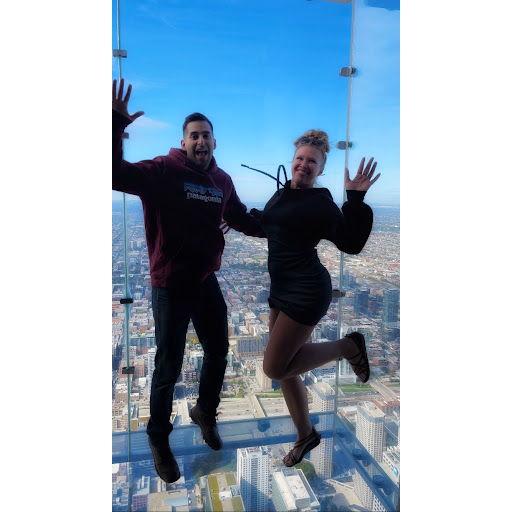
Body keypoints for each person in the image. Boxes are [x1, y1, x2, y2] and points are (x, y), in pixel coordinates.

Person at [112, 79, 264, 483]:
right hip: (170, 283)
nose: (201, 141)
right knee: (168, 364)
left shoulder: (222, 181)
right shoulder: (164, 170)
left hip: (204, 278)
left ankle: (204, 411)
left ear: (215, 142)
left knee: (219, 350)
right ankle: (158, 437)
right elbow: (114, 173)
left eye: (206, 135)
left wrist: (278, 224)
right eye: (194, 135)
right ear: (183, 142)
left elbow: (239, 217)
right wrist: (114, 124)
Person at [253, 130, 380, 467]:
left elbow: (351, 243)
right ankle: (305, 434)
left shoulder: (319, 202)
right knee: (287, 369)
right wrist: (231, 217)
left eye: (312, 161)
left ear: (321, 169)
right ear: (292, 160)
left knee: (274, 367)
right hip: (281, 290)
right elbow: (270, 225)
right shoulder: (282, 194)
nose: (304, 164)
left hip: (306, 292)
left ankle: (348, 346)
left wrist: (355, 200)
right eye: (300, 158)